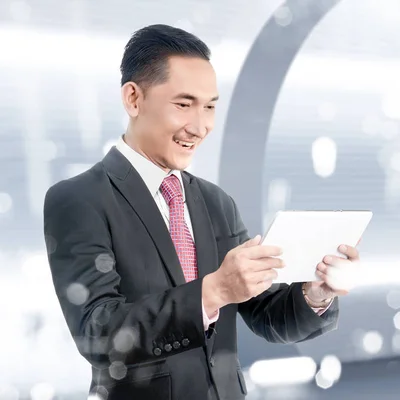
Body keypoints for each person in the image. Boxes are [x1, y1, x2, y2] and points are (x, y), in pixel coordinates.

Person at [43, 24, 360, 400]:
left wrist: (316, 293)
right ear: (133, 98)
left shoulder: (215, 202)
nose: (200, 126)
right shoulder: (79, 198)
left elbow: (265, 314)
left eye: (210, 107)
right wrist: (211, 293)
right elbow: (97, 333)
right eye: (184, 104)